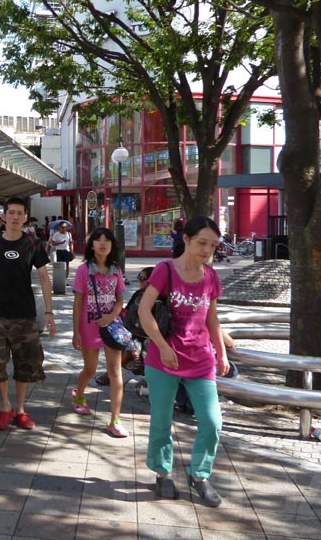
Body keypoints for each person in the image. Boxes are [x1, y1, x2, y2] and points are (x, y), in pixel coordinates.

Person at [138, 216, 228, 507]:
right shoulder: (165, 271)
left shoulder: (211, 276)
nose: (207, 250)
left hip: (201, 359)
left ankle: (200, 475)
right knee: (162, 420)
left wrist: (221, 351)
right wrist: (162, 346)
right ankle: (163, 472)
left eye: (213, 245)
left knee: (212, 422)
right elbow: (143, 310)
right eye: (202, 242)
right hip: (164, 359)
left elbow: (211, 317)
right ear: (186, 240)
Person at [0, 197, 55, 430]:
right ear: (3, 216)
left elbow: (44, 277)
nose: (15, 217)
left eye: (19, 213)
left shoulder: (32, 243)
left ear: (25, 217)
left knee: (26, 364)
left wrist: (50, 312)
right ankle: (5, 407)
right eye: (11, 213)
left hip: (25, 314)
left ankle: (21, 410)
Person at [71, 228, 128, 437]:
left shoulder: (116, 270)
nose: (103, 244)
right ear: (92, 244)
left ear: (113, 245)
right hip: (89, 327)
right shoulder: (83, 270)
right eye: (98, 240)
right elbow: (77, 303)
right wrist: (75, 331)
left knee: (115, 373)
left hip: (112, 328)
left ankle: (115, 420)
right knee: (90, 369)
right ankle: (79, 395)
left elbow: (120, 298)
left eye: (107, 240)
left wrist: (112, 315)